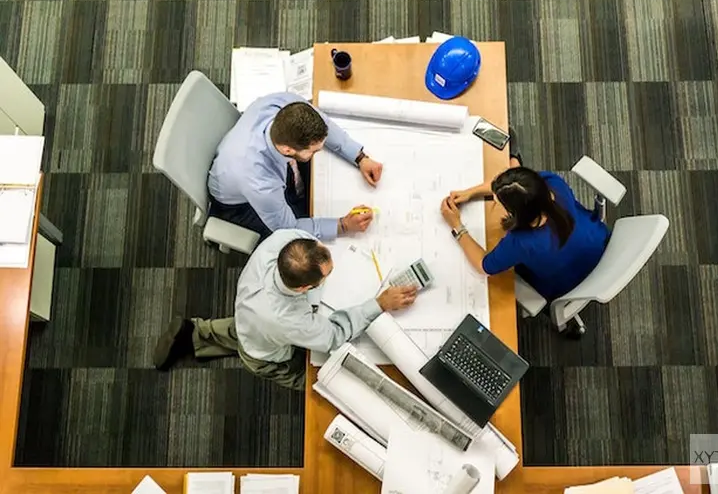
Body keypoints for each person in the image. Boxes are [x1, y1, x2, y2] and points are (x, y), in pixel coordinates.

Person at [152, 229, 418, 391]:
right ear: (304, 288)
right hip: (266, 352)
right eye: (328, 274)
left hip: (249, 315)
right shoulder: (288, 320)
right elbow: (334, 336)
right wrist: (379, 304)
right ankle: (200, 339)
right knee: (316, 378)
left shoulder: (284, 241)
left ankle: (194, 333)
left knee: (244, 330)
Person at [439, 132, 609, 327]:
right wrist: (469, 193)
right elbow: (519, 187)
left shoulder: (522, 242)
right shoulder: (552, 184)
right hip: (598, 242)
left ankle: (513, 157)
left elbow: (483, 265)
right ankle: (514, 156)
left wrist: (457, 226)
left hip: (566, 284)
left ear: (516, 212)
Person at [207, 92, 383, 242]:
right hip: (239, 205)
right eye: (314, 151)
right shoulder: (260, 183)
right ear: (288, 150)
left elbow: (323, 124)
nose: (319, 153)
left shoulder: (284, 105)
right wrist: (343, 225)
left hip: (243, 164)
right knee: (297, 244)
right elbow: (289, 228)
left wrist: (360, 157)